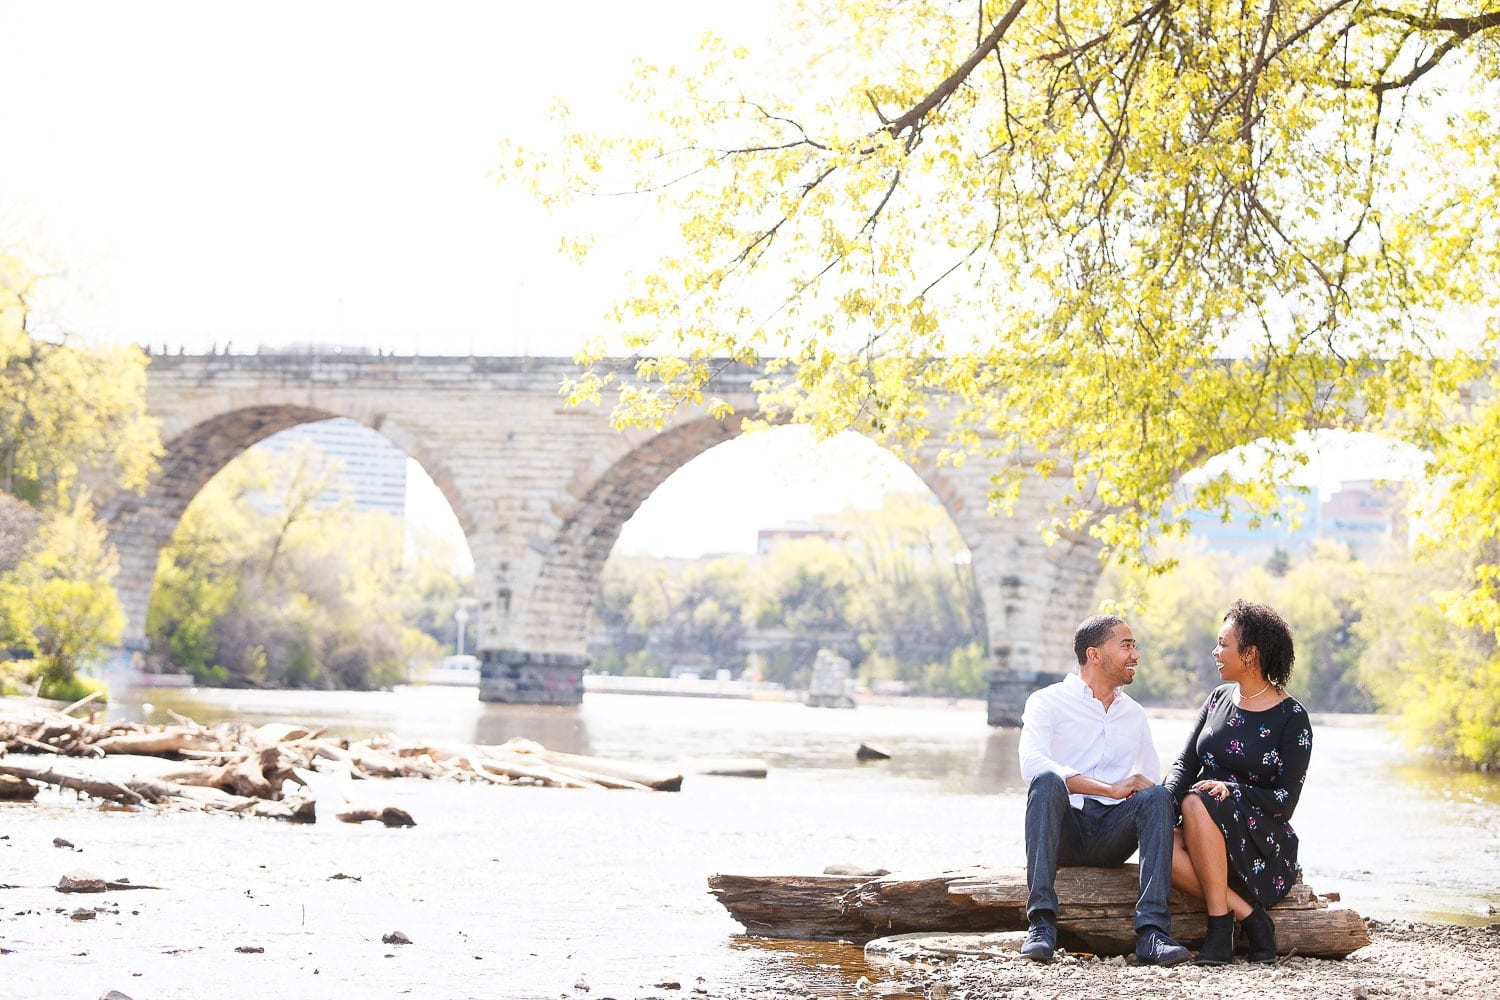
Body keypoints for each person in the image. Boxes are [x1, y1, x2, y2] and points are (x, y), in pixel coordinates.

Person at [1017, 614, 1191, 966]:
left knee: (1157, 796)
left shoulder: (1134, 714)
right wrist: (1108, 789)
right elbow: (1032, 763)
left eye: (1134, 646)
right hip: (1064, 831)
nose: (1135, 655)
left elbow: (1150, 782)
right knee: (1047, 782)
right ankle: (1041, 924)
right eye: (1126, 645)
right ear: (1094, 655)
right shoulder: (1047, 701)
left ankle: (1152, 933)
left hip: (1112, 835)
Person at [1164, 599, 1313, 966]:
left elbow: (1284, 801)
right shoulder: (1217, 699)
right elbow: (1186, 763)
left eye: (1223, 644)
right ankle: (1248, 915)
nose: (1215, 652)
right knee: (1156, 840)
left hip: (1260, 845)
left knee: (1196, 801)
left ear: (1250, 655)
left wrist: (1234, 790)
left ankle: (1219, 929)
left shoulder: (1292, 718)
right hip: (1202, 832)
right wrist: (1160, 803)